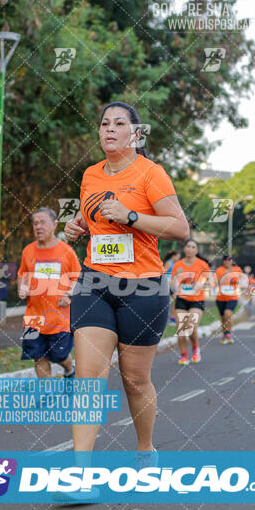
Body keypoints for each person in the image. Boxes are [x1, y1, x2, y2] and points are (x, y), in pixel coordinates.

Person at [64, 101, 189, 480]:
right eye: (104, 123)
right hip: (95, 283)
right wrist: (77, 226)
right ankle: (80, 473)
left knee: (134, 379)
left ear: (135, 133)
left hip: (143, 288)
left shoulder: (151, 174)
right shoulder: (90, 175)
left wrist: (132, 216)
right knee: (88, 376)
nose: (110, 129)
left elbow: (180, 228)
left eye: (119, 123)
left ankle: (145, 448)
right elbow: (94, 215)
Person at [18, 207, 81, 378]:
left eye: (42, 222)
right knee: (38, 357)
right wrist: (22, 287)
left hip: (59, 317)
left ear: (54, 225)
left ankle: (70, 369)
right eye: (35, 223)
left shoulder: (66, 252)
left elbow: (78, 279)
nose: (38, 226)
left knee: (58, 355)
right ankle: (46, 396)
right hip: (33, 316)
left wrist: (68, 294)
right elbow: (23, 274)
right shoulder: (28, 251)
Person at [170, 240, 210, 365]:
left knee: (191, 327)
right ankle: (183, 355)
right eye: (188, 246)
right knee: (182, 330)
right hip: (181, 300)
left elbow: (207, 280)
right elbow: (171, 285)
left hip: (197, 300)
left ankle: (195, 348)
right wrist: (177, 276)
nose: (190, 249)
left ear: (196, 251)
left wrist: (200, 284)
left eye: (193, 247)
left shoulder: (202, 264)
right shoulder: (178, 265)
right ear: (184, 249)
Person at [215, 255, 243, 344]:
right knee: (223, 318)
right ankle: (224, 334)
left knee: (228, 314)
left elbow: (237, 279)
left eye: (229, 259)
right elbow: (218, 281)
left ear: (232, 261)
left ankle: (229, 333)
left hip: (232, 297)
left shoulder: (237, 269)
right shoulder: (219, 270)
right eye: (225, 260)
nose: (227, 261)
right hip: (220, 297)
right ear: (223, 261)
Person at [163, 250, 180, 323]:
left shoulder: (173, 263)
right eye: (178, 256)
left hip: (172, 283)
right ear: (173, 256)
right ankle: (169, 318)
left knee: (176, 300)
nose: (179, 258)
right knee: (173, 300)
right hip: (168, 283)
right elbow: (163, 272)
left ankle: (171, 317)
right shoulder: (169, 262)